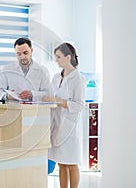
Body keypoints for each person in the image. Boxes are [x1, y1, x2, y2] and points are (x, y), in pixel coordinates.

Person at [42, 43, 85, 188]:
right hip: (57, 125)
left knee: (71, 164)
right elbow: (50, 96)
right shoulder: (56, 77)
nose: (56, 60)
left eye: (59, 57)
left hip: (70, 127)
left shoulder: (78, 79)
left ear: (68, 57)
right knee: (61, 163)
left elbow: (79, 105)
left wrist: (58, 101)